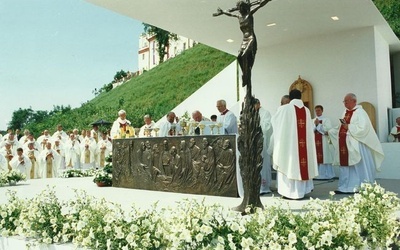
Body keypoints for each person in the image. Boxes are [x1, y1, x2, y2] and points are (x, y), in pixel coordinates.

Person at [328, 93, 384, 194]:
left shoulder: (360, 112)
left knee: (357, 165)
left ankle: (359, 187)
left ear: (354, 101)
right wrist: (333, 131)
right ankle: (344, 187)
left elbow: (363, 129)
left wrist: (348, 127)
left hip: (356, 144)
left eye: (346, 101)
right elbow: (341, 126)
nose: (344, 103)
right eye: (344, 101)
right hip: (344, 143)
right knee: (345, 166)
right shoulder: (345, 112)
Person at [271, 89, 318, 199]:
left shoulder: (284, 109)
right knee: (301, 164)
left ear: (290, 98)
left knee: (289, 164)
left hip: (289, 146)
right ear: (300, 97)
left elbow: (274, 122)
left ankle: (290, 192)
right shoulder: (306, 110)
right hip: (303, 146)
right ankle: (302, 191)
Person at [214, 0, 271, 88]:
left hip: (251, 38)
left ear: (243, 7)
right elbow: (230, 14)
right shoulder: (239, 16)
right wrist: (222, 12)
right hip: (244, 39)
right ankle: (246, 73)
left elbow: (260, 5)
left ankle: (245, 77)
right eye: (238, 8)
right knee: (239, 56)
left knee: (244, 55)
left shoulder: (250, 14)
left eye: (240, 8)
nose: (239, 9)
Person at [254, 99, 273, 194]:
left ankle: (263, 186)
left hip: (262, 140)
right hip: (253, 141)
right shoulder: (252, 112)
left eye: (254, 105)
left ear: (258, 104)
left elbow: (267, 126)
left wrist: (256, 124)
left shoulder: (266, 113)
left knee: (263, 163)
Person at [313, 105, 335, 180]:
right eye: (316, 110)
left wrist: (318, 125)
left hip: (324, 141)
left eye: (319, 110)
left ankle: (327, 175)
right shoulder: (313, 120)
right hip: (315, 141)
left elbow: (328, 130)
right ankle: (317, 174)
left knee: (325, 157)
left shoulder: (326, 120)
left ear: (322, 111)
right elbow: (310, 130)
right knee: (316, 157)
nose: (317, 112)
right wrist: (315, 125)